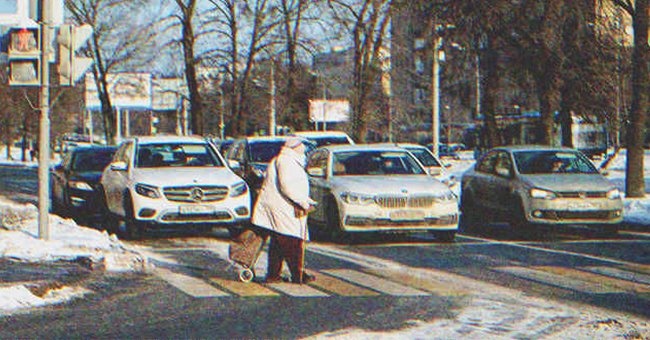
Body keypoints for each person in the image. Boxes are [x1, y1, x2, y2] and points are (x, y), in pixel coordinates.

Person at [251, 138, 317, 284]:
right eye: (301, 146)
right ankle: (298, 275)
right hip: (283, 206)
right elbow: (287, 186)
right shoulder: (286, 161)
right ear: (295, 148)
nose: (304, 149)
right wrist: (303, 203)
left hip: (281, 205)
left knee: (279, 241)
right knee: (292, 241)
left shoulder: (286, 160)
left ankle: (273, 275)